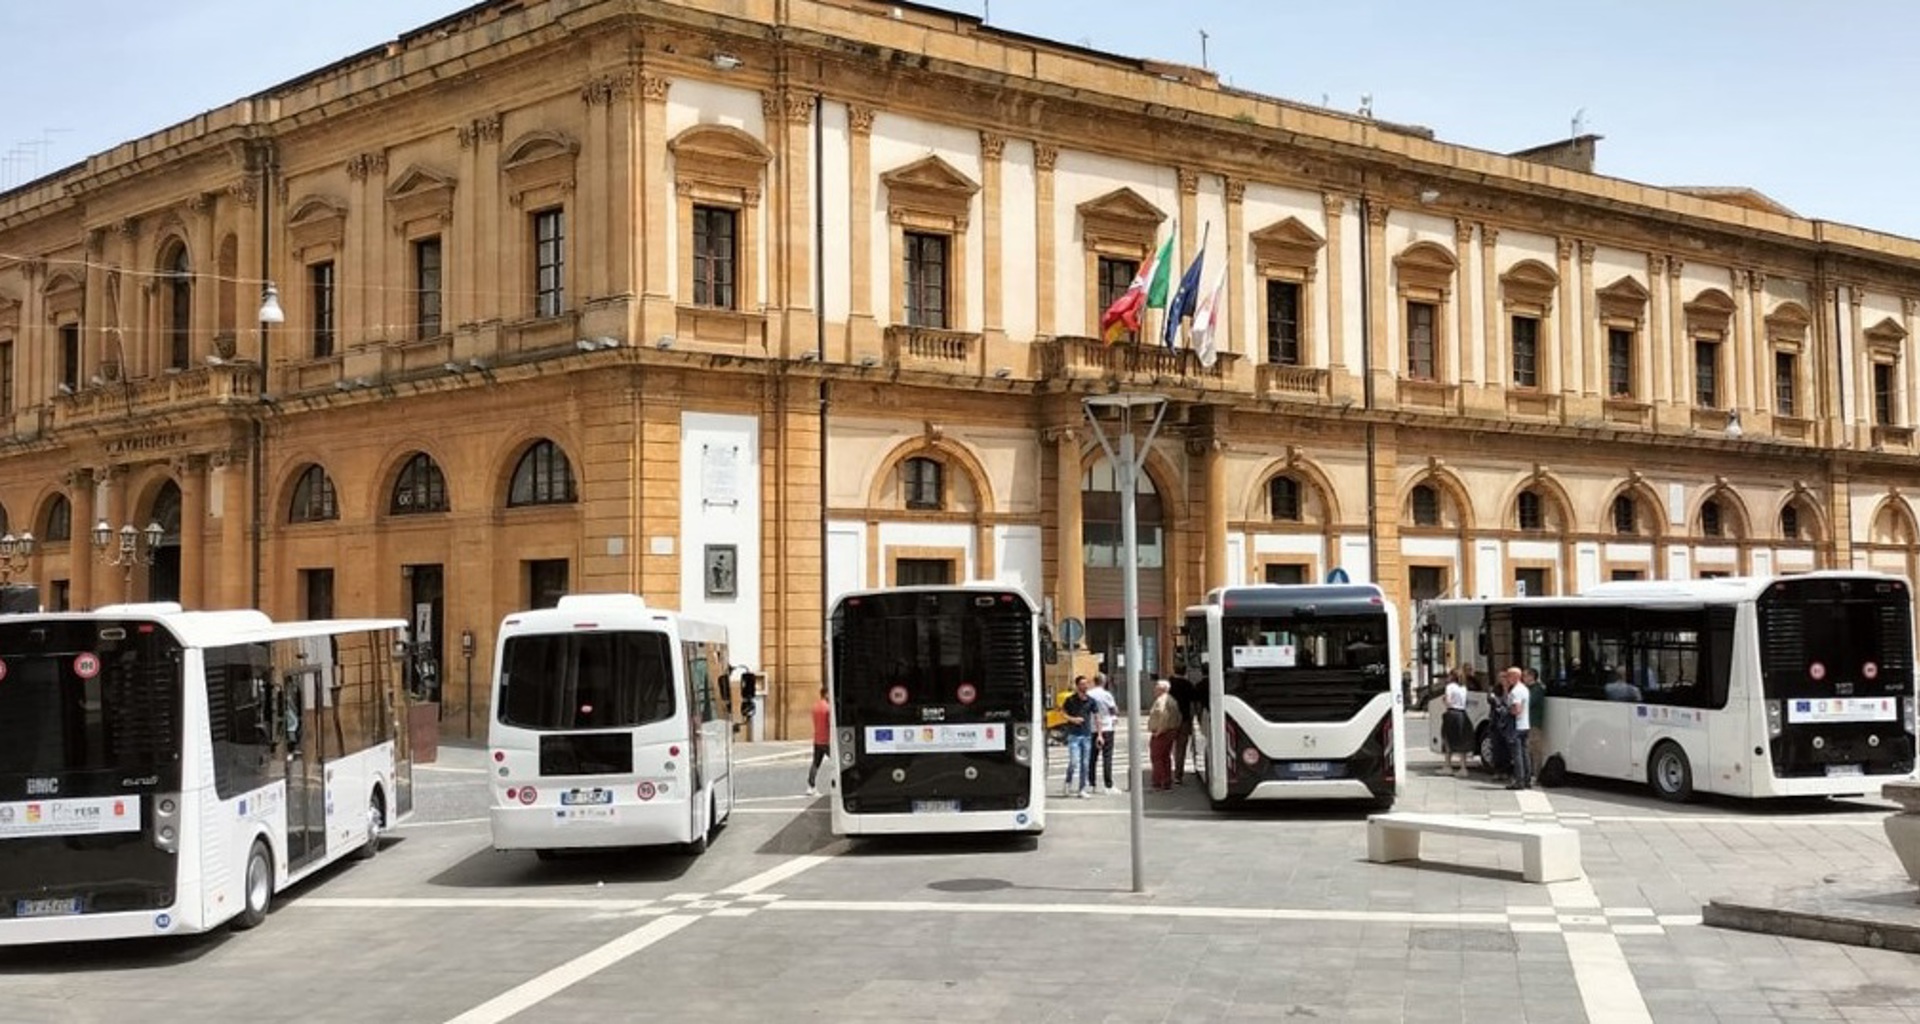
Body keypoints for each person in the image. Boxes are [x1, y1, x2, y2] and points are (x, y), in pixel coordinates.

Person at [1061, 675, 1096, 798]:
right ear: (1077, 686)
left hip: (1087, 735)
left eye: (1086, 684)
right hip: (1074, 735)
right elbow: (1062, 713)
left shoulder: (1091, 701)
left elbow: (1097, 717)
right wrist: (1073, 719)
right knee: (1074, 762)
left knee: (1085, 763)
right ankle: (1068, 782)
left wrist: (1100, 734)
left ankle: (1082, 789)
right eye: (1082, 684)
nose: (1085, 686)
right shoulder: (1071, 700)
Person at [1086, 672, 1118, 793]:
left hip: (1092, 727)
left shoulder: (1089, 694)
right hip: (1106, 726)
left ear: (1094, 681)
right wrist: (1114, 716)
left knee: (1092, 757)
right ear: (1104, 682)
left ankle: (1091, 783)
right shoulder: (1106, 695)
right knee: (1107, 756)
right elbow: (1113, 709)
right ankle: (1108, 785)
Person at [1147, 679, 1182, 791]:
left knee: (1157, 757)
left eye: (1156, 687)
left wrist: (1159, 731)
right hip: (1170, 731)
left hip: (1163, 732)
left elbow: (1163, 715)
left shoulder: (1162, 701)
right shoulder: (1172, 700)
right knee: (1165, 757)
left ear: (1161, 689)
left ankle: (1158, 782)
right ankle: (1166, 781)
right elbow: (1178, 716)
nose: (1154, 689)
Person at [1167, 663, 1198, 785]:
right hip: (1184, 719)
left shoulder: (1168, 684)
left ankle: (1164, 773)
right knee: (1181, 747)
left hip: (1169, 719)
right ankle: (1178, 775)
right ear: (1185, 672)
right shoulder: (1187, 685)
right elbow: (1194, 701)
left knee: (1167, 747)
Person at [1504, 666, 1532, 790]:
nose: (1507, 679)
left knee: (1517, 755)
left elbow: (1517, 709)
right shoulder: (1525, 689)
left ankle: (1519, 781)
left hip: (1516, 725)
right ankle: (1527, 779)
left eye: (1508, 676)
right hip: (1525, 725)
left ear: (1515, 677)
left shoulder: (1515, 691)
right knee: (1525, 753)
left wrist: (1507, 710)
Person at [1440, 669, 1472, 777]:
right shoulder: (1463, 688)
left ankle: (1448, 766)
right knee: (1462, 739)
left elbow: (1448, 701)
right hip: (1462, 714)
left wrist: (1445, 700)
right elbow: (1466, 702)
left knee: (1447, 738)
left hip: (1452, 713)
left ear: (1452, 676)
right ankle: (1463, 767)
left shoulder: (1450, 687)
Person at [806, 685, 831, 796]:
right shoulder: (828, 708)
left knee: (816, 763)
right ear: (826, 694)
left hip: (817, 739)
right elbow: (830, 724)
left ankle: (811, 786)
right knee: (839, 762)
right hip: (827, 740)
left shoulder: (815, 706)